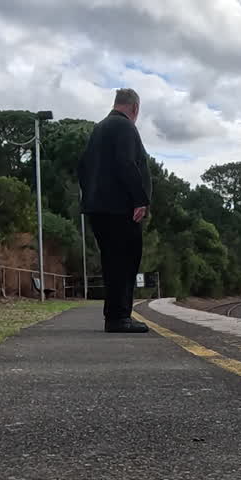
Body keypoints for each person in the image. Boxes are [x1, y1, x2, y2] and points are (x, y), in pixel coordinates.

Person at [78, 88, 153, 333]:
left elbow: (83, 167)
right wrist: (139, 199)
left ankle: (114, 316)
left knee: (111, 261)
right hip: (120, 208)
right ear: (135, 108)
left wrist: (90, 197)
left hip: (98, 207)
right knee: (126, 260)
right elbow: (126, 163)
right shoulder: (125, 127)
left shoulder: (99, 129)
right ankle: (120, 316)